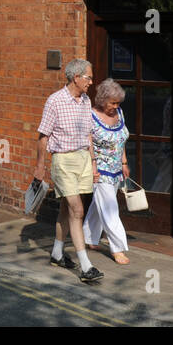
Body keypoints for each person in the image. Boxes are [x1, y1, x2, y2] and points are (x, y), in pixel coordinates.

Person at [35, 58, 103, 283]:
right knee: (77, 210)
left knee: (66, 208)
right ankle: (85, 267)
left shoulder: (85, 100)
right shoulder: (55, 101)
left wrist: (93, 163)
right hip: (63, 161)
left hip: (83, 159)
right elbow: (43, 136)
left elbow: (89, 135)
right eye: (89, 77)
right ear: (76, 77)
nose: (91, 82)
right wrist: (39, 166)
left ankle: (57, 253)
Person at [83, 78, 131, 264]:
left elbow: (121, 139)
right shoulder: (91, 116)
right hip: (100, 170)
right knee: (110, 208)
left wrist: (124, 162)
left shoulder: (119, 112)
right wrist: (93, 168)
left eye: (118, 102)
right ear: (102, 100)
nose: (116, 106)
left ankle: (89, 237)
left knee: (99, 204)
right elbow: (88, 145)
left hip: (116, 169)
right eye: (112, 102)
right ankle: (117, 248)